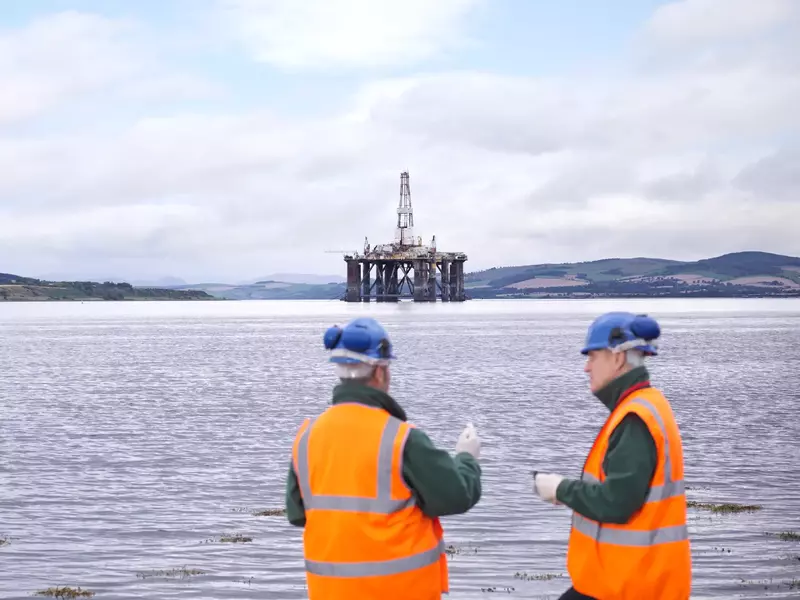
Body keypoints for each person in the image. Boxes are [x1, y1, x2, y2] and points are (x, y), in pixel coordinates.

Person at [285, 316, 482, 600]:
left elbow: (296, 513)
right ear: (379, 372)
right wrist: (467, 459)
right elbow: (455, 497)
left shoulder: (306, 438)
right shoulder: (402, 438)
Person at [531, 312, 691, 600]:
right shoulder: (646, 406)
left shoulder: (635, 418)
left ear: (617, 358)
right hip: (630, 581)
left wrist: (560, 488)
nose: (586, 368)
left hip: (628, 586)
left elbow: (618, 502)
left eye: (592, 357)